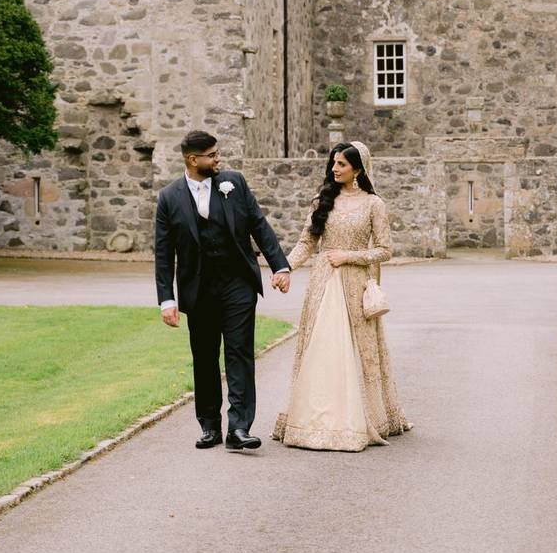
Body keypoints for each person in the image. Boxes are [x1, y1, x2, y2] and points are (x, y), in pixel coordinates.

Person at [154, 130, 291, 451]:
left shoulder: (235, 183)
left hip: (237, 284)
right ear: (192, 160)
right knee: (204, 358)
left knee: (240, 353)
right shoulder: (169, 197)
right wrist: (166, 300)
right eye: (212, 155)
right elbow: (163, 254)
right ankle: (209, 426)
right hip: (198, 290)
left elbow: (258, 224)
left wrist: (280, 266)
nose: (219, 160)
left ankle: (239, 427)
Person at [273, 141, 411, 451]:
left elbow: (385, 250)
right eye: (333, 163)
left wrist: (347, 256)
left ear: (358, 169)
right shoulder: (323, 200)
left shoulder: (373, 204)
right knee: (321, 351)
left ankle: (364, 419)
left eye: (342, 165)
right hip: (323, 286)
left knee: (354, 352)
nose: (334, 169)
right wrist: (284, 269)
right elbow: (306, 243)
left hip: (354, 286)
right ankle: (312, 419)